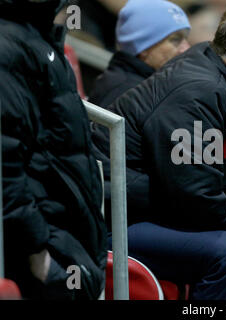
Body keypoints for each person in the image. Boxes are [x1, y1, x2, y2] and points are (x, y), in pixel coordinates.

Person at [92, 13, 226, 299]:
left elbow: (211, 187)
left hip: (155, 208)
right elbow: (194, 194)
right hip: (116, 221)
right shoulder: (198, 91)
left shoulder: (220, 81)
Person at [0, 0, 107, 299]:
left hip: (65, 232)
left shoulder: (37, 36)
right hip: (41, 244)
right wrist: (38, 252)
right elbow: (5, 158)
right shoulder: (9, 44)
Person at [88, 0, 191, 108]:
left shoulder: (144, 88)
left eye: (185, 39)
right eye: (175, 40)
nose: (186, 48)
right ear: (144, 46)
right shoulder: (125, 92)